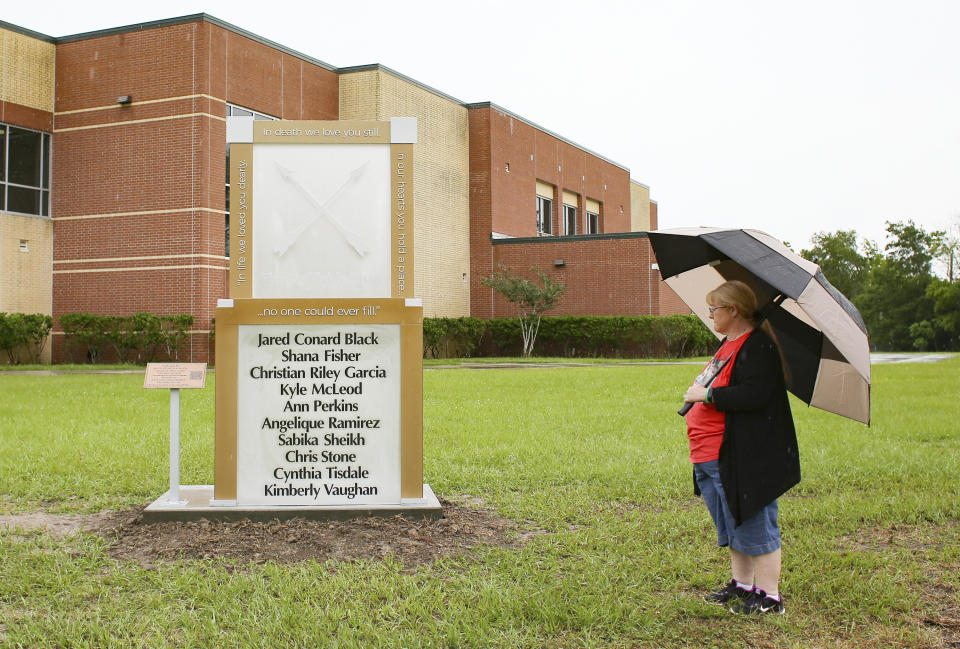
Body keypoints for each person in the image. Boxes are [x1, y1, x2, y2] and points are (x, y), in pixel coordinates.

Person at [682, 280, 800, 615]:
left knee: (755, 522)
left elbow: (756, 395)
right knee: (733, 524)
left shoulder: (757, 347)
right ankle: (742, 585)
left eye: (714, 309)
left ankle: (769, 596)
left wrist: (707, 396)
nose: (710, 315)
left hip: (740, 455)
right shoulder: (728, 343)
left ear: (733, 310)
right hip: (708, 453)